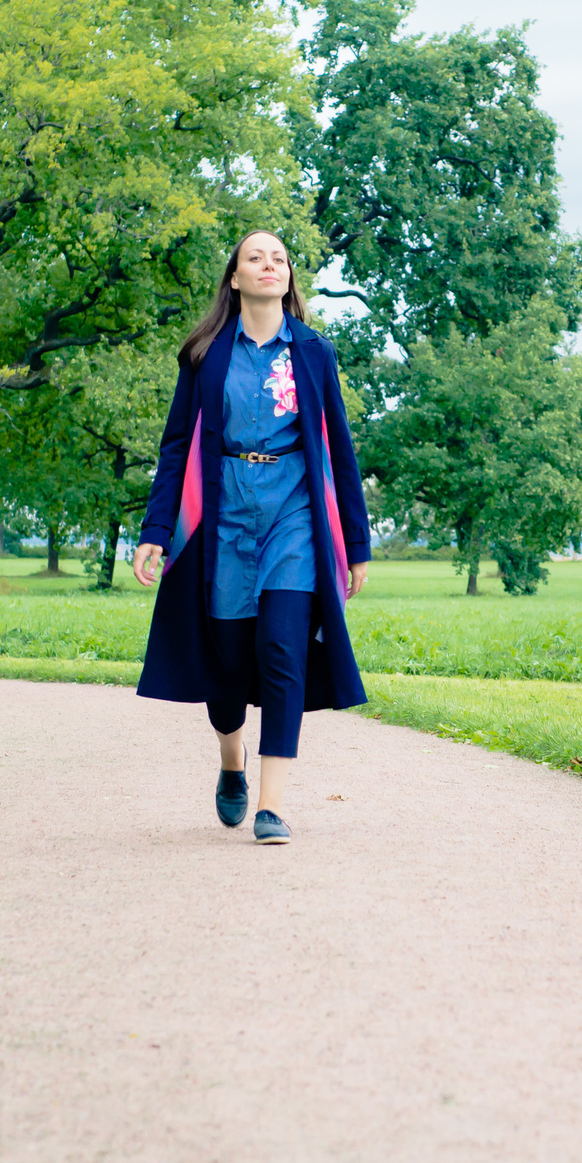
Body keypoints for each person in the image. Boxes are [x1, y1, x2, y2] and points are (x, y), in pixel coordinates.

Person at [131, 231, 371, 845]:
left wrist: (355, 543)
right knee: (230, 663)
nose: (270, 265)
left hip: (293, 515)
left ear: (289, 277)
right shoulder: (206, 354)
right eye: (255, 258)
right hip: (224, 518)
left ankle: (272, 807)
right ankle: (231, 759)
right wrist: (156, 529)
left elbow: (340, 450)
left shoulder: (314, 353)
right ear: (235, 278)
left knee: (283, 649)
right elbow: (177, 445)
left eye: (280, 258)